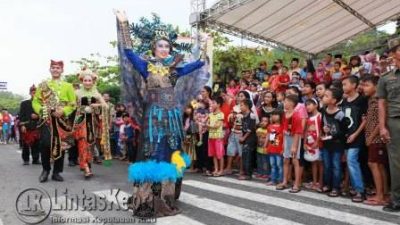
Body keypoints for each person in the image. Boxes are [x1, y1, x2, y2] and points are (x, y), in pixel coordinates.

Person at [115, 10, 209, 217]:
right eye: (160, 45)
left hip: (173, 117)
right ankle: (147, 199)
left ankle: (166, 196)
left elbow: (200, 63)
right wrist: (123, 24)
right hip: (154, 116)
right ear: (154, 48)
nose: (164, 49)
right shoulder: (145, 65)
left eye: (167, 46)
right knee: (153, 152)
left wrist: (205, 43)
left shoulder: (176, 68)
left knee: (171, 152)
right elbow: (129, 52)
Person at [32, 60, 77, 182]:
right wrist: (41, 110)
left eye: (58, 67)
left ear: (62, 70)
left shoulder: (68, 86)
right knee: (45, 144)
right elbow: (35, 101)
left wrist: (64, 111)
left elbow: (73, 104)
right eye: (53, 67)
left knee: (60, 145)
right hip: (46, 119)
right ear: (50, 70)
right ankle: (45, 170)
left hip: (61, 120)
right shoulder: (43, 85)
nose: (55, 69)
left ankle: (57, 172)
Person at [73, 68, 111, 178]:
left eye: (89, 80)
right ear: (82, 81)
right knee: (83, 143)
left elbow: (106, 106)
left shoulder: (96, 93)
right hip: (81, 121)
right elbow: (70, 105)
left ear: (93, 81)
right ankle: (85, 166)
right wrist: (78, 108)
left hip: (92, 122)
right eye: (85, 80)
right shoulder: (77, 93)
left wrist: (97, 105)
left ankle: (87, 164)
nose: (87, 82)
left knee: (89, 144)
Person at [377, 37, 400, 212]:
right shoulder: (386, 78)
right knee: (396, 163)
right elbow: (382, 104)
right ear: (392, 54)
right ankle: (397, 199)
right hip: (395, 122)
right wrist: (383, 126)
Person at [361, 75, 389, 206]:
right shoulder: (371, 100)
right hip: (374, 138)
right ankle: (384, 193)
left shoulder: (378, 100)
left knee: (374, 164)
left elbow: (380, 121)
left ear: (376, 86)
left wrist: (371, 137)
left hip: (377, 138)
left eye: (366, 85)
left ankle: (380, 196)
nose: (363, 87)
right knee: (379, 165)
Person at [341, 75, 368, 202]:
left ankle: (360, 191)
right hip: (346, 137)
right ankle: (355, 187)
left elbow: (364, 120)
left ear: (353, 85)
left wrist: (355, 134)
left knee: (352, 161)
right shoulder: (345, 101)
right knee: (349, 162)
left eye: (345, 84)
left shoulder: (362, 100)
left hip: (356, 137)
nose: (343, 87)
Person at [321, 88, 346, 197]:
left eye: (326, 96)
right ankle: (327, 184)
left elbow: (344, 131)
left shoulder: (340, 114)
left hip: (337, 144)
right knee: (327, 165)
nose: (323, 98)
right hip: (326, 144)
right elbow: (323, 125)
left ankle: (336, 187)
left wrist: (332, 135)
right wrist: (324, 130)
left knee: (336, 166)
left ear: (334, 100)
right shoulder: (323, 111)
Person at [276, 94, 304, 193]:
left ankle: (296, 183)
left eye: (286, 101)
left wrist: (294, 146)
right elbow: (284, 129)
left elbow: (298, 132)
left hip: (294, 139)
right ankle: (284, 181)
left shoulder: (296, 115)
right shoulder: (284, 114)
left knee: (295, 161)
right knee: (286, 160)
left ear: (292, 103)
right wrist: (283, 144)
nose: (284, 103)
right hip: (287, 138)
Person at [304, 98, 323, 192]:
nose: (307, 107)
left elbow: (321, 130)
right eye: (306, 105)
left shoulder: (320, 116)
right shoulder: (309, 118)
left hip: (318, 143)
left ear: (316, 105)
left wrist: (317, 141)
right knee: (313, 162)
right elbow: (306, 131)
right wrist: (304, 143)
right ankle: (315, 182)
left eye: (309, 104)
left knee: (320, 163)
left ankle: (320, 182)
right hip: (310, 142)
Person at [19, 85, 40, 165]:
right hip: (27, 126)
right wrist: (22, 125)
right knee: (26, 143)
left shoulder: (41, 104)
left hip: (37, 125)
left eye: (36, 92)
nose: (34, 94)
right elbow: (21, 116)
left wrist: (37, 116)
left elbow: (45, 114)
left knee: (36, 143)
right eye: (33, 92)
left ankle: (36, 159)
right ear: (30, 93)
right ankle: (26, 159)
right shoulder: (24, 103)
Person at [238, 99, 257, 180]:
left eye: (242, 105)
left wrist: (243, 138)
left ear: (247, 106)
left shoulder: (252, 116)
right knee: (244, 156)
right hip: (245, 138)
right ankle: (245, 172)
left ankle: (248, 174)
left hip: (250, 139)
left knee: (248, 156)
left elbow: (250, 129)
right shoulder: (243, 116)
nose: (240, 107)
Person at [208, 97, 225, 177]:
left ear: (218, 105)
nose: (212, 104)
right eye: (211, 103)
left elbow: (217, 125)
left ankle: (221, 170)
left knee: (220, 154)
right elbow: (207, 124)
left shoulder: (221, 114)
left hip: (218, 137)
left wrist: (208, 125)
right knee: (214, 154)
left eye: (214, 103)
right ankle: (216, 169)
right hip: (211, 137)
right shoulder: (210, 114)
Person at [266, 110, 284, 186]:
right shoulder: (270, 126)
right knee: (273, 165)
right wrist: (265, 145)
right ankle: (273, 180)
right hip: (271, 149)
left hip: (279, 150)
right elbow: (268, 136)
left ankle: (280, 180)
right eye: (273, 115)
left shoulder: (282, 127)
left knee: (279, 165)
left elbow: (284, 139)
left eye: (276, 115)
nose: (274, 116)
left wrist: (283, 149)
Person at [183, 105, 197, 172]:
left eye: (189, 108)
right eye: (186, 108)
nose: (187, 110)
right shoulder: (184, 118)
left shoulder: (193, 118)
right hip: (185, 136)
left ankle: (192, 167)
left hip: (191, 136)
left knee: (191, 152)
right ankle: (185, 166)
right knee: (185, 151)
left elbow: (194, 129)